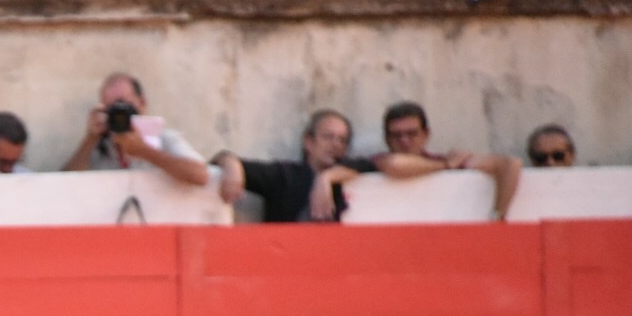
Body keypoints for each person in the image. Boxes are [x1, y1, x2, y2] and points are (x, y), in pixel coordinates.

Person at [211, 109, 381, 223]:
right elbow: (222, 158)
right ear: (309, 142)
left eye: (342, 140)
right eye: (328, 137)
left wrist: (325, 178)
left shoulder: (351, 173)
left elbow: (376, 164)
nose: (336, 145)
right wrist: (231, 166)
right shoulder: (284, 176)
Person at [374, 101, 522, 220]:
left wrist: (498, 216)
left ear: (426, 134)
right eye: (396, 135)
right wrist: (446, 166)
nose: (404, 141)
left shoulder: (445, 161)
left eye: (412, 134)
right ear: (386, 138)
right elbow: (396, 164)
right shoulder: (377, 161)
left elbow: (511, 164)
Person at [61, 72, 210, 187]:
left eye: (123, 104)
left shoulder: (163, 138)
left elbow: (201, 175)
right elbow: (63, 184)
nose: (118, 113)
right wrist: (90, 139)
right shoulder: (100, 147)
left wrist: (146, 152)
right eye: (111, 108)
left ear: (142, 103)